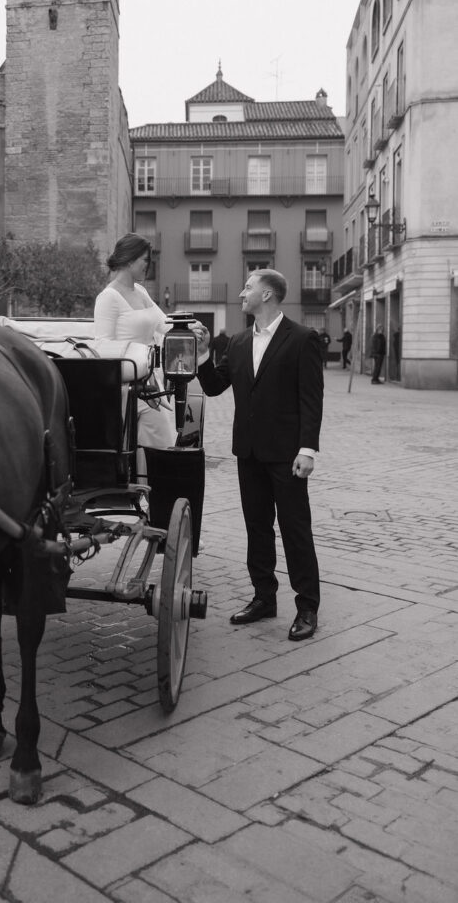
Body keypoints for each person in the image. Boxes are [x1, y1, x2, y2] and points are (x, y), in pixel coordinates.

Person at [196, 269, 323, 641]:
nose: (241, 293)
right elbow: (215, 386)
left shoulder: (302, 339)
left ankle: (307, 607)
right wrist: (204, 354)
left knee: (295, 530)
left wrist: (307, 449)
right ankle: (264, 598)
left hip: (287, 455)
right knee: (257, 528)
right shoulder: (236, 342)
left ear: (267, 295)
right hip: (248, 452)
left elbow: (311, 399)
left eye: (248, 288)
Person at [94, 233, 177, 454]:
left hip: (150, 383)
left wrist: (189, 328)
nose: (147, 266)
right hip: (126, 388)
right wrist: (141, 361)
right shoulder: (108, 298)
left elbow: (164, 323)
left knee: (160, 444)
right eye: (145, 260)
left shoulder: (140, 291)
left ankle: (151, 487)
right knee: (157, 446)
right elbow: (102, 347)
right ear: (130, 259)